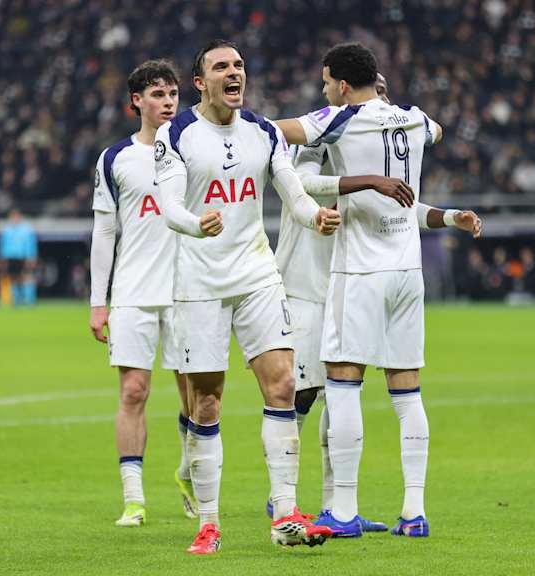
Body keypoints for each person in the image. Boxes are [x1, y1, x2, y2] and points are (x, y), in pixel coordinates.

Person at [277, 43, 482, 538]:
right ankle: (414, 513)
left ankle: (342, 511)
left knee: (343, 382)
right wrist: (449, 214)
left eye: (327, 83)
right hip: (408, 272)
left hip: (361, 271)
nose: (325, 91)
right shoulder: (414, 118)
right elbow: (436, 130)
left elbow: (274, 131)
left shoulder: (340, 116)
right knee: (407, 392)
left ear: (342, 85)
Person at [154, 39, 339, 554]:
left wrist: (314, 215)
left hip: (257, 273)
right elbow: (168, 206)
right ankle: (208, 524)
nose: (234, 72)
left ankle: (285, 516)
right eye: (221, 66)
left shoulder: (263, 132)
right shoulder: (178, 133)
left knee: (282, 385)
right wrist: (196, 222)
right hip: (199, 283)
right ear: (201, 81)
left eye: (238, 65)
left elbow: (293, 192)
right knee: (207, 403)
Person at [88, 59, 197, 528]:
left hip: (189, 289)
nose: (167, 101)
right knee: (134, 390)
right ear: (136, 101)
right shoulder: (115, 158)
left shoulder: (195, 150)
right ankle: (133, 499)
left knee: (195, 397)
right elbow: (104, 231)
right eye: (157, 94)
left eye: (172, 93)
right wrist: (98, 300)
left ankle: (191, 474)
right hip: (133, 291)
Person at [0, 209, 38, 306]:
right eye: (12, 217)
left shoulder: (27, 230)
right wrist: (2, 257)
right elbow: (3, 245)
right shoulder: (7, 230)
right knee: (13, 278)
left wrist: (31, 257)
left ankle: (29, 299)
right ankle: (16, 299)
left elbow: (31, 244)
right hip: (11, 257)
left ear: (20, 217)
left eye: (16, 216)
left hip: (23, 257)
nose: (14, 219)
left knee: (27, 277)